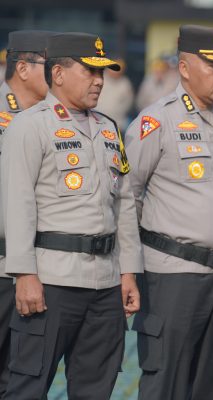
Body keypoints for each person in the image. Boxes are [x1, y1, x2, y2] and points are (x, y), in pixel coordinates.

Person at [0, 32, 141, 399]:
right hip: (52, 281)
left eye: (102, 73)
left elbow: (123, 205)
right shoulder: (30, 125)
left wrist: (129, 272)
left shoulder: (110, 129)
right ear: (58, 74)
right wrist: (24, 274)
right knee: (28, 386)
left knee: (96, 387)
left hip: (105, 283)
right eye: (90, 71)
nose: (98, 80)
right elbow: (17, 204)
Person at [125, 24, 213, 400]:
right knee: (166, 383)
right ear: (185, 68)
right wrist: (129, 270)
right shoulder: (156, 121)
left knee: (212, 383)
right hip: (171, 277)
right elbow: (127, 198)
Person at [0, 29, 53, 396]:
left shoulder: (50, 119)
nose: (59, 75)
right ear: (22, 68)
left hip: (31, 268)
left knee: (19, 375)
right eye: (51, 66)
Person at [96, 58, 134, 130]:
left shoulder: (125, 83)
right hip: (98, 121)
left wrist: (118, 112)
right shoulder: (99, 79)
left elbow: (128, 102)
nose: (116, 72)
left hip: (118, 123)